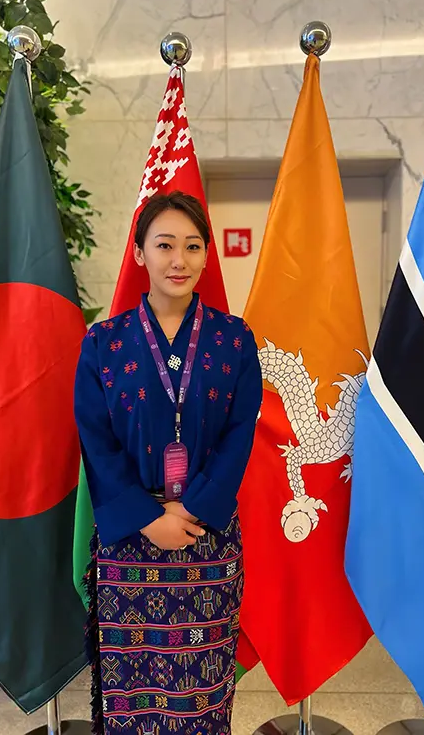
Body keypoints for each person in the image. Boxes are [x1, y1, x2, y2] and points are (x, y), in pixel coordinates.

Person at [74, 190, 263, 735]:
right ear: (139, 254)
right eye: (164, 245)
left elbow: (238, 434)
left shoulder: (234, 340)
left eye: (192, 246)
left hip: (206, 541)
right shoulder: (102, 344)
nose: (178, 260)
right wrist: (147, 516)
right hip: (129, 542)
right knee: (132, 692)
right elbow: (97, 442)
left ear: (207, 256)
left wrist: (196, 508)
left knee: (200, 693)